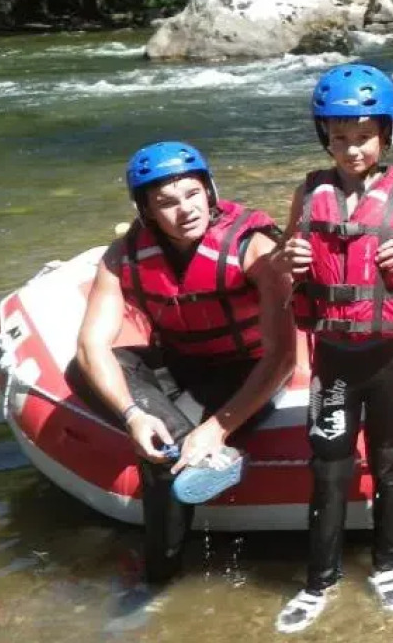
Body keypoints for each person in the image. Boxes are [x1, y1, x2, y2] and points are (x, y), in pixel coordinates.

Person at [274, 63, 393, 633]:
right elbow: (287, 251)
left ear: (387, 135)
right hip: (332, 356)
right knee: (328, 467)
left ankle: (386, 567)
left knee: (388, 463)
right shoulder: (308, 192)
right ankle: (318, 581)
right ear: (323, 137)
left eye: (363, 137)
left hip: (390, 357)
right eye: (339, 138)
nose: (352, 150)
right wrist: (291, 259)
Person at [72, 141, 295, 583]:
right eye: (166, 203)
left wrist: (217, 428)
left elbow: (283, 358)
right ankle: (178, 445)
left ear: (210, 191)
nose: (185, 210)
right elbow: (90, 347)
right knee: (83, 371)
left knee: (161, 461)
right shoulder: (122, 256)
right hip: (181, 367)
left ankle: (160, 576)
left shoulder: (253, 250)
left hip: (245, 372)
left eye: (193, 194)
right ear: (147, 211)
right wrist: (133, 415)